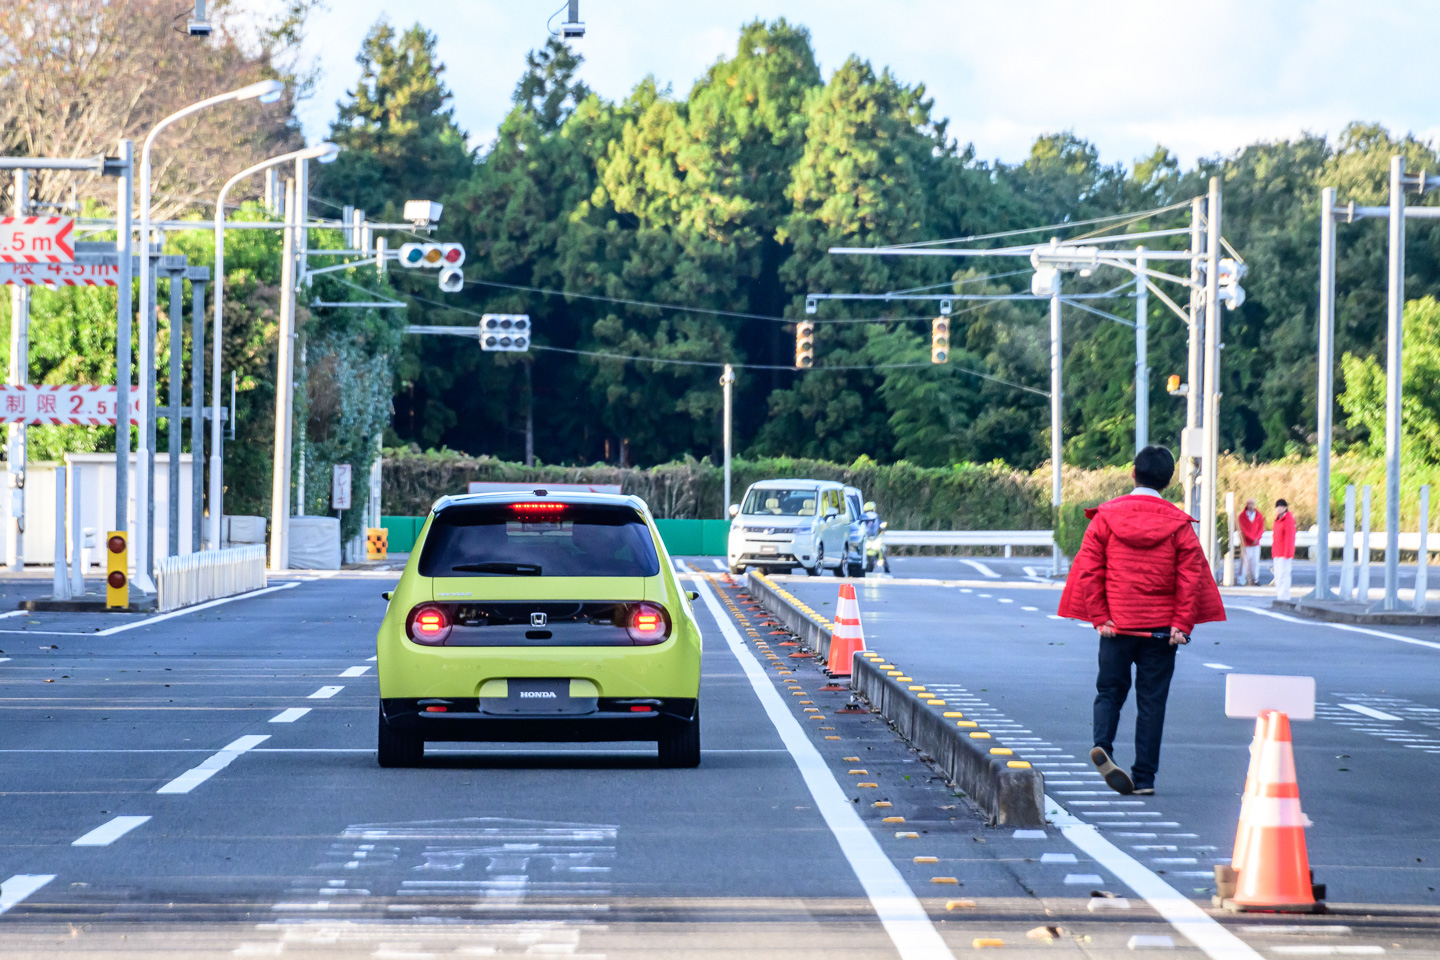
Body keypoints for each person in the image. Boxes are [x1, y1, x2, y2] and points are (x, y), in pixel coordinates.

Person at [1057, 445, 1226, 795]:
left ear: (1133, 473)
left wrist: (1100, 617)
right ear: (1168, 482)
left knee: (1109, 691)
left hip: (1116, 626)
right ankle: (1145, 778)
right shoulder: (1179, 524)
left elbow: (1090, 570)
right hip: (1161, 631)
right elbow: (1190, 576)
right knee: (1152, 702)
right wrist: (1182, 624)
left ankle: (1103, 743)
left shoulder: (1105, 517)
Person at [1272, 499, 1296, 601]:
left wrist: (1287, 553)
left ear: (1285, 507)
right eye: (1277, 507)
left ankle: (1284, 596)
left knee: (1284, 575)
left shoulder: (1288, 520)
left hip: (1284, 553)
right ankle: (1279, 595)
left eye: (1281, 506)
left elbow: (1289, 538)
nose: (1279, 508)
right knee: (1278, 576)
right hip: (1277, 552)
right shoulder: (1277, 519)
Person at [1237, 498, 1265, 586]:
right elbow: (1242, 529)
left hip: (1256, 543)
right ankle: (1242, 580)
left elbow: (1261, 529)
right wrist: (1251, 538)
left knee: (1255, 562)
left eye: (1252, 503)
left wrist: (1257, 538)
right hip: (1246, 543)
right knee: (1245, 562)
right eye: (1249, 503)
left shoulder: (1259, 515)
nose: (1250, 505)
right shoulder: (1242, 516)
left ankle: (1255, 579)